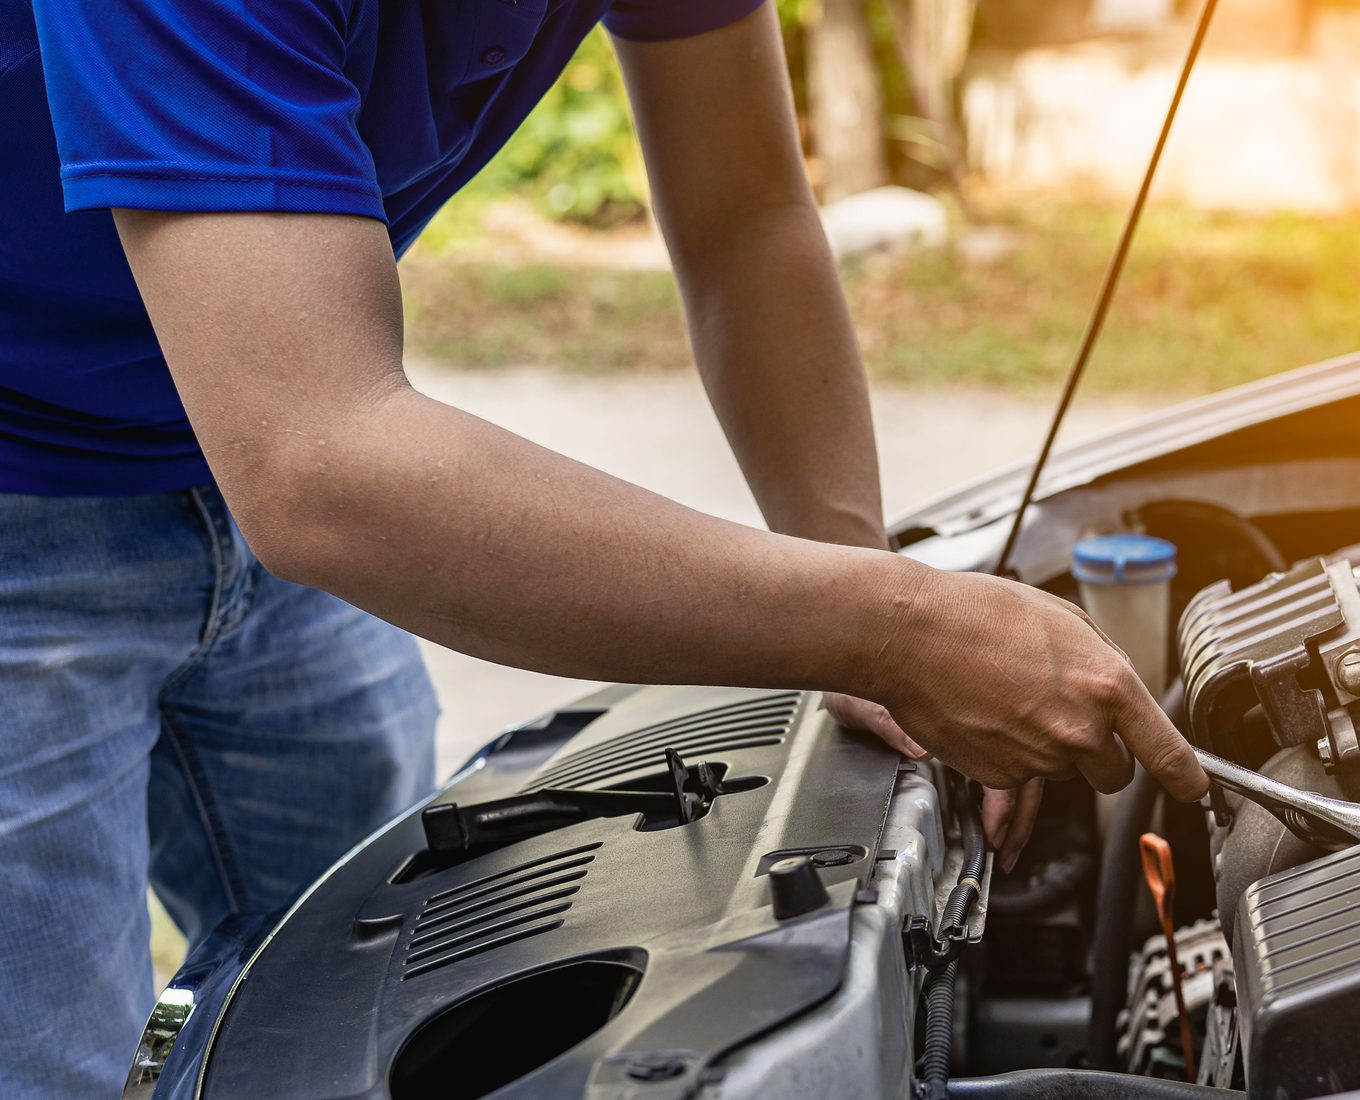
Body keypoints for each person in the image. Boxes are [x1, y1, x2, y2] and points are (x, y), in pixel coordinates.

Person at [0, 1, 1210, 1094]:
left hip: (250, 444)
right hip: (43, 505)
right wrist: (895, 630)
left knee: (359, 1002)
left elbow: (744, 218)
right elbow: (321, 463)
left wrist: (862, 578)